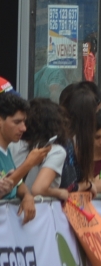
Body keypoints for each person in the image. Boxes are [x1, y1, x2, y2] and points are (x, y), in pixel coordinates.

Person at [0, 94, 43, 223]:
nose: (23, 128)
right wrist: (28, 164)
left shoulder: (7, 152)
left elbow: (17, 184)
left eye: (24, 122)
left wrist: (27, 196)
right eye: (17, 122)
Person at [14, 99, 69, 200]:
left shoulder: (13, 144)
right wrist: (60, 192)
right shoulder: (55, 151)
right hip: (37, 211)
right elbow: (38, 189)